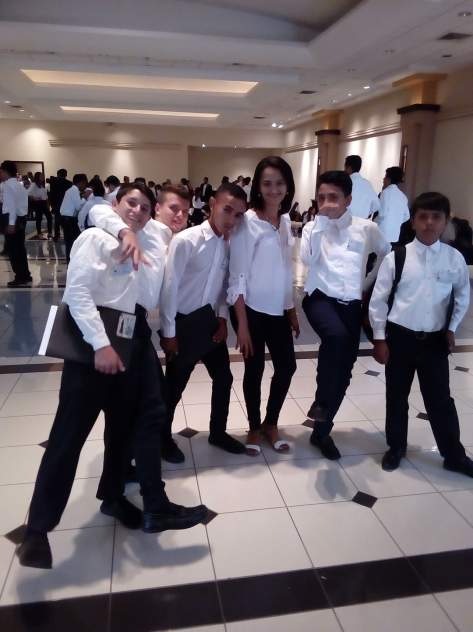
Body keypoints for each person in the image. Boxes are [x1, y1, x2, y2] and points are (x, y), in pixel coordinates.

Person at [17, 182, 206, 570]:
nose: (138, 210)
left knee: (122, 430)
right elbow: (78, 295)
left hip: (131, 338)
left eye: (145, 206)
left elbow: (149, 294)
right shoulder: (96, 237)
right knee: (68, 435)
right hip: (94, 345)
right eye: (131, 203)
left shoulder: (155, 238)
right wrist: (101, 345)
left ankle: (113, 496)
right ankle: (37, 530)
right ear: (116, 204)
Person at [370, 192, 473, 477]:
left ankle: (453, 455)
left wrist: (452, 327)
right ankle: (396, 447)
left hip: (435, 342)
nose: (429, 223)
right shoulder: (397, 258)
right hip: (400, 339)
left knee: (440, 400)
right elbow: (379, 300)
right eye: (423, 216)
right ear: (413, 221)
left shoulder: (453, 259)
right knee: (396, 396)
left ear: (445, 222)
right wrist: (379, 338)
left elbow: (462, 295)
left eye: (436, 217)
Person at [300, 170, 390, 459]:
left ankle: (321, 432)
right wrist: (320, 224)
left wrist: (367, 284)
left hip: (351, 304)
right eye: (321, 197)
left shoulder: (366, 229)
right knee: (336, 338)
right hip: (319, 299)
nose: (326, 203)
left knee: (344, 371)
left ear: (348, 200)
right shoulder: (311, 227)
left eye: (333, 197)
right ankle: (321, 402)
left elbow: (386, 253)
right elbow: (306, 259)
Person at [159, 183, 248, 463]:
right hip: (183, 324)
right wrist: (169, 332)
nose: (231, 219)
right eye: (227, 210)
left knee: (224, 378)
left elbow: (222, 287)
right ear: (211, 204)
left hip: (209, 322)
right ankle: (162, 439)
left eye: (238, 215)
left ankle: (217, 432)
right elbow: (169, 288)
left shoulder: (229, 245)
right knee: (174, 386)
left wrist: (222, 319)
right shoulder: (187, 241)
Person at [228, 157, 299, 455]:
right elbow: (237, 277)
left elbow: (285, 269)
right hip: (251, 311)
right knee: (254, 370)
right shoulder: (247, 223)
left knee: (287, 366)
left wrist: (291, 309)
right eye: (267, 183)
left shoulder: (284, 221)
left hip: (278, 310)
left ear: (288, 186)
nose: (274, 189)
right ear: (257, 186)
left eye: (280, 183)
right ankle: (254, 427)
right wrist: (242, 326)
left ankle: (272, 423)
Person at [0, 160, 32, 287]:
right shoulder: (19, 185)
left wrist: (11, 223)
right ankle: (26, 274)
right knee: (20, 249)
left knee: (13, 251)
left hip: (12, 219)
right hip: (21, 218)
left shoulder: (8, 185)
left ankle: (20, 277)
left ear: (5, 171)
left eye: (1, 171)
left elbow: (11, 206)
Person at [375, 167, 410, 245]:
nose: (383, 179)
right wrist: (396, 221)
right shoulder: (403, 196)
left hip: (382, 231)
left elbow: (382, 214)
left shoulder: (385, 192)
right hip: (395, 233)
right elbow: (407, 216)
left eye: (385, 177)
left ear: (389, 179)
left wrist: (374, 222)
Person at [60, 173, 89, 263]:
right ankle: (71, 263)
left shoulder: (72, 190)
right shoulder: (74, 191)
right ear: (81, 182)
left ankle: (71, 262)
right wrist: (84, 198)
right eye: (85, 183)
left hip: (67, 219)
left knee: (71, 242)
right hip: (68, 220)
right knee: (71, 242)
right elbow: (78, 206)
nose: (85, 186)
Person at [344, 155, 380, 219]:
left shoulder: (344, 182)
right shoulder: (367, 184)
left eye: (345, 167)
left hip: (346, 221)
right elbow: (377, 205)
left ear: (349, 168)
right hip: (362, 221)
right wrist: (367, 213)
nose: (344, 170)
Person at [48, 168, 72, 241]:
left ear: (58, 174)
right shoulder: (69, 183)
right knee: (66, 221)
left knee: (57, 221)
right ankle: (66, 236)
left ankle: (56, 236)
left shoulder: (54, 183)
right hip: (66, 205)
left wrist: (52, 205)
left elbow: (51, 194)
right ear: (66, 175)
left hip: (57, 204)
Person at [28, 171, 53, 239]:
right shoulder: (33, 185)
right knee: (39, 219)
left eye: (43, 176)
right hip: (38, 203)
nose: (43, 177)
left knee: (49, 217)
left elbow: (46, 197)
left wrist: (48, 205)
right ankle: (39, 233)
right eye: (41, 176)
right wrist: (35, 198)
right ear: (37, 177)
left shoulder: (41, 185)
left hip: (43, 203)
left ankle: (50, 233)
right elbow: (29, 194)